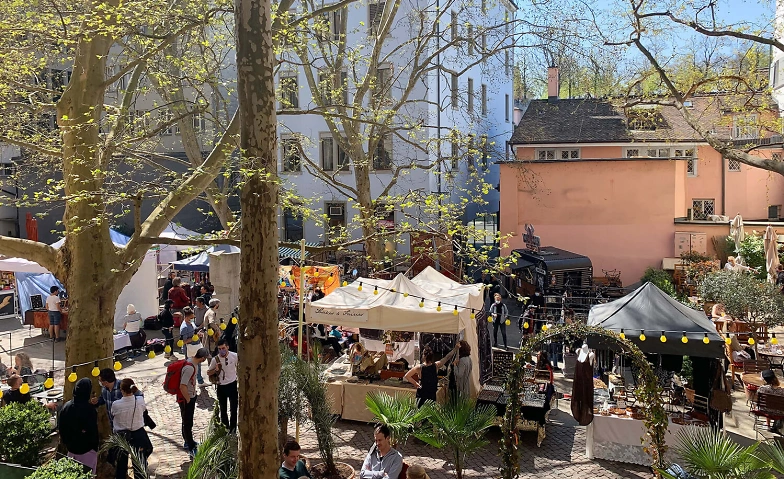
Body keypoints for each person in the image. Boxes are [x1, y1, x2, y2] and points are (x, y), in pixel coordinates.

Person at [110, 378, 153, 478]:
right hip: (138, 434)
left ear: (122, 390)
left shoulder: (116, 404)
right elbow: (143, 410)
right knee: (139, 464)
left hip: (122, 436)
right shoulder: (140, 400)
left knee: (121, 465)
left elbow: (113, 414)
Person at [58, 378, 99, 473]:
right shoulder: (89, 410)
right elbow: (93, 431)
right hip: (87, 451)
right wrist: (95, 447)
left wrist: (67, 443)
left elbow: (61, 427)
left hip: (71, 450)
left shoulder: (66, 407)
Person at [179, 347, 209, 457]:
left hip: (190, 396)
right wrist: (188, 399)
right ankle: (190, 447)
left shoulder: (192, 362)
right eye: (205, 358)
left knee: (186, 420)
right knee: (187, 423)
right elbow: (182, 385)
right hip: (187, 398)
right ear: (202, 358)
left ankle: (188, 441)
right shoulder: (190, 368)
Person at [207, 339, 238, 433]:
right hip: (221, 386)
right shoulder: (215, 360)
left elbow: (239, 366)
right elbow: (208, 372)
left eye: (223, 348)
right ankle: (225, 428)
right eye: (219, 349)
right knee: (223, 410)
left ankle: (233, 429)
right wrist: (216, 370)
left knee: (234, 409)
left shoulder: (234, 356)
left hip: (232, 385)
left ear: (227, 347)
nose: (221, 350)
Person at [180, 307, 204, 385]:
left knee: (198, 364)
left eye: (193, 317)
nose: (193, 319)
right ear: (186, 317)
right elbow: (183, 341)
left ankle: (199, 381)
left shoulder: (191, 323)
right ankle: (189, 382)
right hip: (189, 350)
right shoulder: (184, 328)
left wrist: (199, 334)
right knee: (190, 367)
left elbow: (195, 330)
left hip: (196, 347)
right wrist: (192, 339)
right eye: (191, 318)